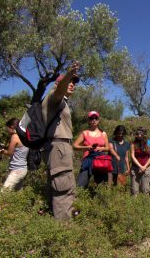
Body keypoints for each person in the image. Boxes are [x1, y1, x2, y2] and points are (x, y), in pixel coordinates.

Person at [41, 62, 79, 220]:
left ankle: (54, 227)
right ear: (58, 84)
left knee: (57, 186)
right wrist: (69, 73)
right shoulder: (54, 97)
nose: (72, 84)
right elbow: (59, 90)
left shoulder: (60, 102)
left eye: (73, 83)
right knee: (64, 188)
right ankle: (64, 231)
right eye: (69, 81)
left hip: (58, 148)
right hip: (59, 146)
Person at [73, 111, 111, 187]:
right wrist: (86, 147)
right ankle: (79, 197)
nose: (94, 120)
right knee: (80, 184)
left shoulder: (103, 133)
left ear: (98, 120)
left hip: (100, 161)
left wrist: (102, 148)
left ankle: (100, 198)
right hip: (87, 160)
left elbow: (108, 148)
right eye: (91, 118)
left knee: (102, 186)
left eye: (96, 118)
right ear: (89, 121)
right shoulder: (85, 133)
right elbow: (74, 145)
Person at [0, 118, 29, 192]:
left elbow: (10, 153)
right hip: (22, 168)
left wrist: (2, 151)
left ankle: (0, 204)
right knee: (18, 193)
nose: (7, 131)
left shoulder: (15, 137)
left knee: (3, 192)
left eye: (7, 129)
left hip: (17, 170)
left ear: (12, 127)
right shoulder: (24, 135)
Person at [130, 127, 150, 196]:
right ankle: (134, 206)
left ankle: (146, 205)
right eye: (137, 134)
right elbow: (132, 156)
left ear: (144, 134)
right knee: (134, 190)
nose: (137, 135)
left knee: (145, 189)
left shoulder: (149, 142)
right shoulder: (133, 143)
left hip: (146, 168)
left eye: (139, 133)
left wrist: (144, 167)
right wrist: (140, 166)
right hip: (135, 168)